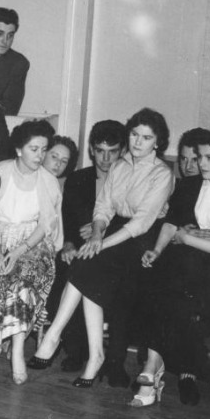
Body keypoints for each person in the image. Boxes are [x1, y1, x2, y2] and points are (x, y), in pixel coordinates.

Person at [29, 108, 175, 388]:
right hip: (113, 230)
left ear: (157, 142)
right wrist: (96, 234)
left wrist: (101, 244)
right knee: (88, 266)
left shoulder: (161, 173)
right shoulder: (120, 166)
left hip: (139, 239)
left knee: (88, 265)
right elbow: (104, 206)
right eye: (134, 134)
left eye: (146, 137)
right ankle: (93, 356)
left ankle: (54, 335)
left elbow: (143, 222)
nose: (137, 142)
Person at [132, 129, 210, 407]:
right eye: (199, 156)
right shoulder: (189, 186)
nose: (201, 163)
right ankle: (154, 366)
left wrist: (187, 238)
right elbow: (171, 223)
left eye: (209, 157)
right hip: (186, 263)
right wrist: (157, 250)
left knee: (181, 287)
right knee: (162, 279)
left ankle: (159, 369)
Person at [47, 120, 125, 373]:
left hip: (114, 251)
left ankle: (111, 361)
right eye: (100, 150)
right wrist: (68, 244)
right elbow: (68, 219)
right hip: (79, 248)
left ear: (122, 151)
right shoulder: (78, 179)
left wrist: (99, 231)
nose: (105, 158)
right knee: (64, 268)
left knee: (90, 274)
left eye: (112, 151)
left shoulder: (127, 182)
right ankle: (75, 350)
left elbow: (134, 223)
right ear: (91, 150)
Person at [0, 120, 62, 384]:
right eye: (34, 149)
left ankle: (18, 347)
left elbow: (45, 226)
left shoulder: (49, 181)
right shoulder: (0, 171)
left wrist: (19, 250)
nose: (40, 156)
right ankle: (2, 339)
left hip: (33, 244)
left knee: (23, 277)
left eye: (44, 150)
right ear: (19, 149)